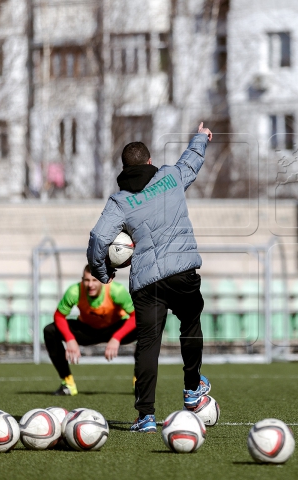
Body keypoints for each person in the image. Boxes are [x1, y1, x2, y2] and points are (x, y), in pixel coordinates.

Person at [87, 122, 213, 433]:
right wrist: (200, 137)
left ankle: (145, 416)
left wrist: (104, 272)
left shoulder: (119, 201)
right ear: (149, 160)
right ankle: (192, 388)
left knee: (148, 345)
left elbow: (99, 238)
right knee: (191, 324)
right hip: (183, 271)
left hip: (145, 282)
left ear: (124, 168)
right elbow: (191, 162)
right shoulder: (169, 177)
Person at [44, 265, 137, 396]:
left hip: (114, 328)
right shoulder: (75, 291)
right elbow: (59, 316)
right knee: (50, 330)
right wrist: (70, 339)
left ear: (103, 280)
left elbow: (136, 316)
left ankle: (139, 383)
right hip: (87, 331)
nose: (90, 285)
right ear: (82, 280)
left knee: (149, 327)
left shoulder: (116, 291)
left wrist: (117, 337)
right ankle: (68, 384)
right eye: (87, 280)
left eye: (95, 280)